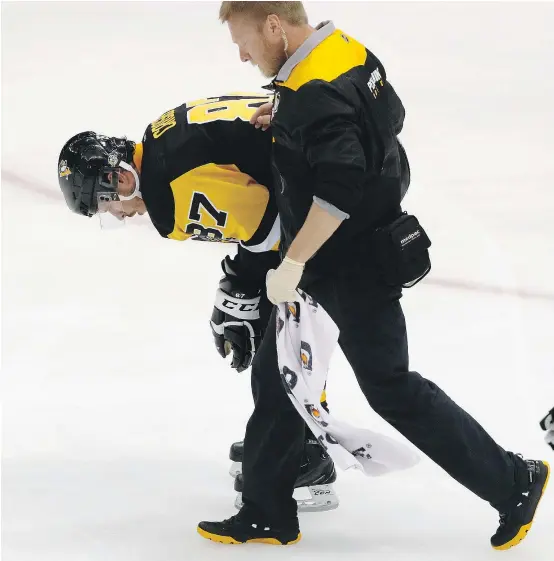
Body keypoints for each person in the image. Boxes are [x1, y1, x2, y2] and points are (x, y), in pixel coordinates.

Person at [196, 1, 550, 549]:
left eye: (244, 40)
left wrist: (292, 262)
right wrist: (288, 128)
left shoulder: (312, 95)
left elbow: (338, 193)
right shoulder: (345, 51)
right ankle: (267, 509)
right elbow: (387, 118)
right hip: (351, 250)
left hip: (349, 265)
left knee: (390, 387)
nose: (242, 55)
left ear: (273, 25)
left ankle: (512, 480)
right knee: (277, 375)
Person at [56, 92, 338, 511]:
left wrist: (241, 290)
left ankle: (304, 454)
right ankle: (282, 439)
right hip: (340, 158)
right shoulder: (158, 133)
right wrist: (239, 287)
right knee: (272, 318)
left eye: (104, 201)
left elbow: (267, 228)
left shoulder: (166, 198)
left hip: (339, 192)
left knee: (280, 331)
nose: (114, 213)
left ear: (119, 178)